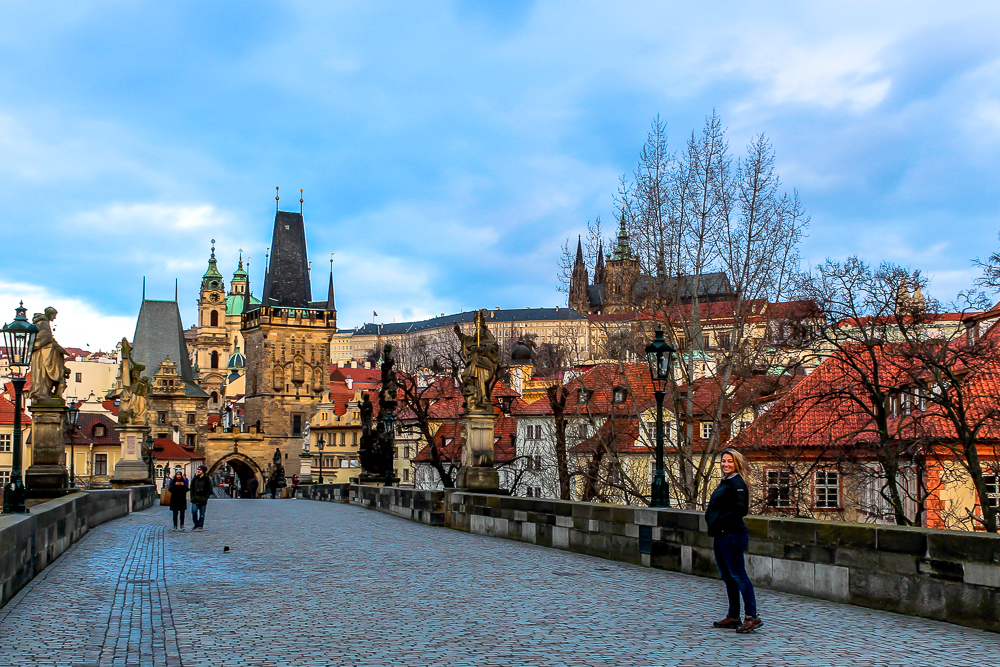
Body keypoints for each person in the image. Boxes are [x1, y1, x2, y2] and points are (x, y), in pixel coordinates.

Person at [705, 448, 762, 633]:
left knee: (738, 576)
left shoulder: (738, 482)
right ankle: (734, 616)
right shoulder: (726, 482)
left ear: (736, 463)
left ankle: (752, 617)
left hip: (732, 535)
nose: (725, 464)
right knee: (728, 577)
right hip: (721, 534)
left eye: (729, 461)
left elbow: (741, 510)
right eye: (723, 461)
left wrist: (719, 521)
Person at [190, 465, 212, 531]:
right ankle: (196, 523)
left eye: (200, 469)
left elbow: (209, 489)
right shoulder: (195, 478)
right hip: (195, 499)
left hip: (203, 499)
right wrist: (192, 497)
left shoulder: (207, 479)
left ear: (203, 471)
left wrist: (206, 497)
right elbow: (192, 488)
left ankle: (200, 526)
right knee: (194, 512)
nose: (198, 471)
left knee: (202, 514)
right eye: (198, 469)